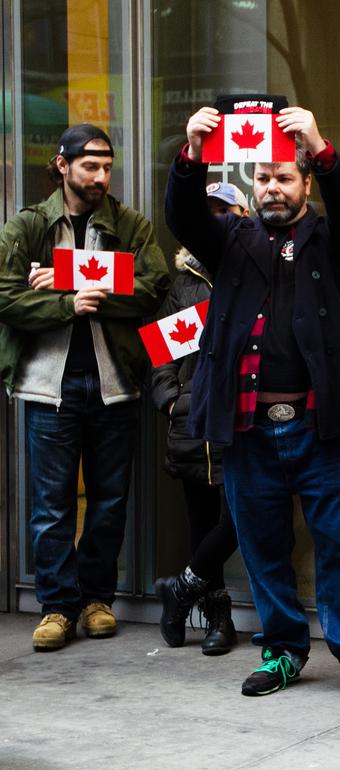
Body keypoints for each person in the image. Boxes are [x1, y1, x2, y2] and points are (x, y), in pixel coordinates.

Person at [166, 105, 340, 703]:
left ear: (304, 184)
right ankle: (283, 650)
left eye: (284, 177)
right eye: (263, 178)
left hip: (318, 427)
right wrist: (192, 153)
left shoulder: (330, 240)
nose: (272, 187)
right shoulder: (230, 240)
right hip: (247, 428)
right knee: (263, 543)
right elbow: (182, 214)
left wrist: (320, 145)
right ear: (251, 185)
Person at [0, 124, 171, 651]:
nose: (101, 176)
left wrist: (70, 278)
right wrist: (65, 304)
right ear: (62, 165)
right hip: (47, 383)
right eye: (90, 165)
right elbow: (6, 296)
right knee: (51, 504)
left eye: (107, 166)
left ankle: (97, 598)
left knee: (108, 500)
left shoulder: (130, 224)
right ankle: (57, 606)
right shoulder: (28, 225)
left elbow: (153, 287)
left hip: (112, 381)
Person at [149, 182, 250, 655]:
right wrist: (173, 401)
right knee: (201, 521)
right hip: (193, 423)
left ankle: (181, 589)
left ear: (243, 213)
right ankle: (217, 618)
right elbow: (160, 355)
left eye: (224, 211)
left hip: (244, 419)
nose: (217, 221)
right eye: (208, 213)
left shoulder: (256, 267)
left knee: (241, 518)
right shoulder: (184, 282)